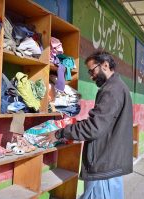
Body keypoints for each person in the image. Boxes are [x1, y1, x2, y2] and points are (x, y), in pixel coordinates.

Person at [39, 51, 133, 199]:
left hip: (103, 165)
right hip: (110, 162)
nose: (91, 76)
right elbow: (102, 123)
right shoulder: (118, 87)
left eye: (92, 70)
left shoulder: (111, 90)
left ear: (105, 65)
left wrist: (59, 133)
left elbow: (94, 128)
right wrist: (75, 126)